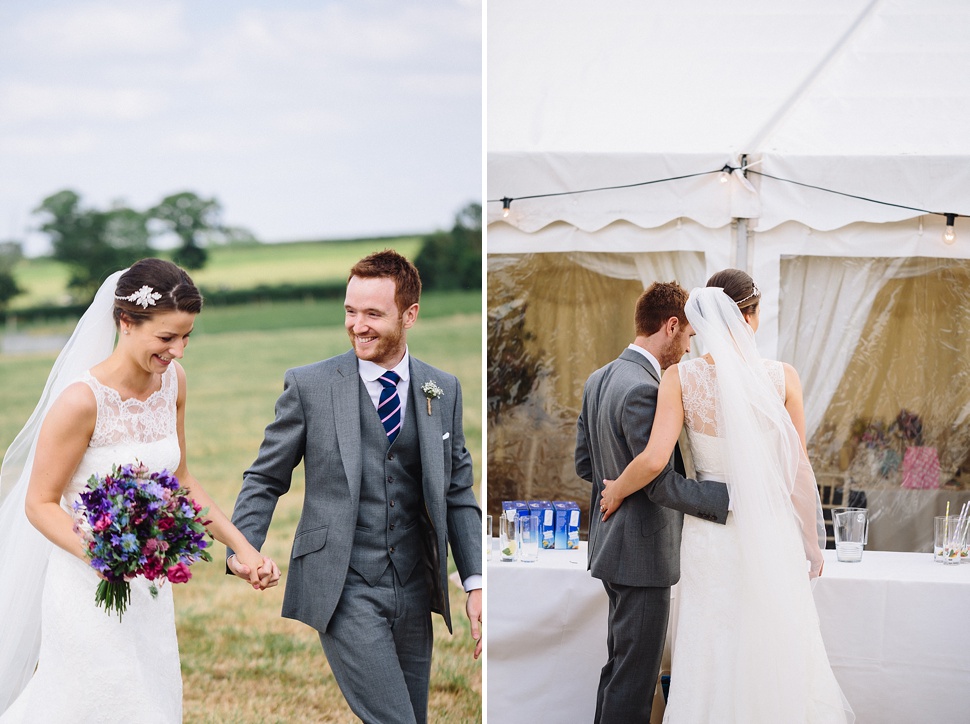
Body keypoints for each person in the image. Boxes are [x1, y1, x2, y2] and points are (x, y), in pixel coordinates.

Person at [0, 258, 280, 723]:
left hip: (149, 587)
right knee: (93, 700)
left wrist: (243, 549)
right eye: (167, 337)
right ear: (126, 322)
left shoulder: (173, 383)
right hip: (86, 586)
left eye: (187, 336)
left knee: (150, 699)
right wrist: (101, 555)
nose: (180, 351)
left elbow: (182, 483)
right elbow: (40, 502)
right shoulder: (80, 400)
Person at [227, 249, 482, 724]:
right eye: (350, 311)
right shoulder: (310, 386)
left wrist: (476, 582)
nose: (357, 325)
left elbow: (458, 492)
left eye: (372, 313)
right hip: (343, 586)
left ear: (410, 316)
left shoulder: (441, 388)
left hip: (413, 585)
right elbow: (265, 477)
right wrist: (242, 548)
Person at [601, 269, 853, 723]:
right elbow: (799, 467)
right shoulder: (784, 378)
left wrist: (616, 488)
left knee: (712, 645)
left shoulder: (680, 379)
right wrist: (812, 541)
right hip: (771, 529)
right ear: (752, 318)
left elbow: (655, 460)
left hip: (710, 536)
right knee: (772, 643)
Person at [575, 281, 732, 724]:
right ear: (670, 326)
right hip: (641, 556)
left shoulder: (598, 378)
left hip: (610, 547)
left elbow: (586, 465)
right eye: (687, 336)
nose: (686, 348)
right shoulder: (646, 388)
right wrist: (730, 498)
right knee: (635, 679)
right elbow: (661, 483)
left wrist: (618, 485)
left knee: (619, 669)